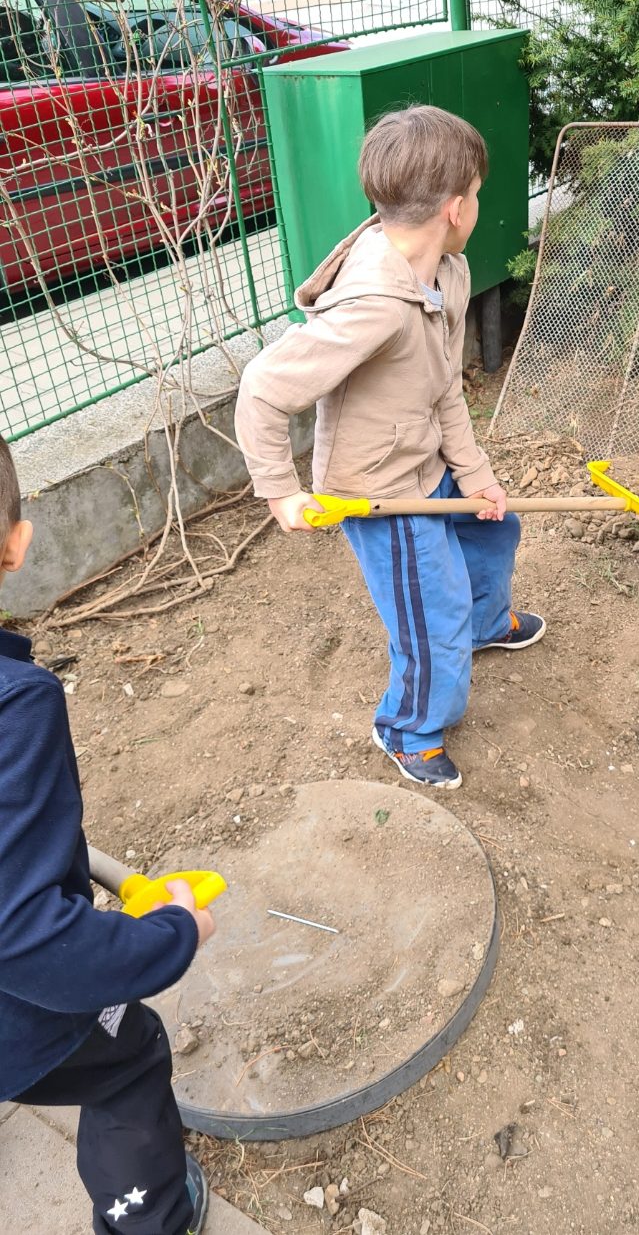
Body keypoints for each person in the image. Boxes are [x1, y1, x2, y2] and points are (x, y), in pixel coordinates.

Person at [235, 105, 544, 791]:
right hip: (380, 492)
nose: (477, 207)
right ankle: (408, 728)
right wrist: (281, 492)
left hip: (426, 459)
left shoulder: (447, 274)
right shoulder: (372, 306)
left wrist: (475, 475)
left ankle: (483, 625)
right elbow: (262, 388)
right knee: (430, 617)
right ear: (456, 208)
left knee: (495, 526)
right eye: (478, 195)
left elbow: (445, 388)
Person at [0, 435, 216, 1235]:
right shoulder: (15, 706)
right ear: (18, 544)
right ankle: (148, 1218)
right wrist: (174, 930)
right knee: (127, 1054)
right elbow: (27, 939)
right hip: (16, 1022)